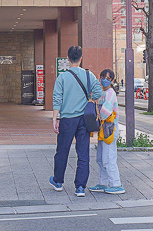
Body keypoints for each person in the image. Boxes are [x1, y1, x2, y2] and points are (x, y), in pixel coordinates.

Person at [50, 46, 102, 197]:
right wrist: (90, 100)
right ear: (81, 59)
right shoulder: (88, 75)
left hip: (67, 119)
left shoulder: (62, 77)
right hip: (84, 120)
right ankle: (80, 187)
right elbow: (98, 91)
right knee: (83, 152)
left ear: (67, 59)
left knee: (62, 151)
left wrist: (55, 118)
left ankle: (58, 181)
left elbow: (57, 99)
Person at [88, 68, 124, 195]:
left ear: (112, 80)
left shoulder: (110, 93)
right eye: (102, 77)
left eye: (107, 78)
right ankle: (102, 183)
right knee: (101, 157)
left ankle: (116, 184)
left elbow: (105, 112)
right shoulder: (103, 92)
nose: (104, 80)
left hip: (110, 129)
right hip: (104, 130)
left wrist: (96, 113)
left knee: (109, 157)